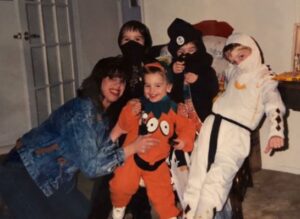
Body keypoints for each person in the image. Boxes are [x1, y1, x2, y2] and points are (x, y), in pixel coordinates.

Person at [0, 56, 158, 219]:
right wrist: (132, 148)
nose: (118, 85)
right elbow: (91, 168)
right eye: (112, 78)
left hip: (56, 180)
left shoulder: (100, 113)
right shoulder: (81, 112)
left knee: (87, 215)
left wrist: (119, 129)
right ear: (99, 80)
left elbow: (97, 154)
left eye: (122, 81)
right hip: (23, 171)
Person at [183, 33, 286, 219]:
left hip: (236, 132)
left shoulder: (264, 77)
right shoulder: (232, 72)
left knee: (218, 177)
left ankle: (203, 215)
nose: (237, 61)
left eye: (242, 55)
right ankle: (189, 214)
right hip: (212, 124)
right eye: (232, 59)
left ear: (253, 51)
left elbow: (274, 104)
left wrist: (276, 132)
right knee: (197, 173)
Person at [109, 61, 196, 219]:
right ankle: (118, 209)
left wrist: (183, 141)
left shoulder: (175, 109)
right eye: (147, 85)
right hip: (132, 158)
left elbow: (187, 127)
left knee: (163, 196)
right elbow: (124, 124)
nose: (151, 90)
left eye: (157, 85)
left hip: (157, 162)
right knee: (121, 185)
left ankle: (170, 216)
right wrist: (130, 112)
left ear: (168, 87)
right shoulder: (138, 104)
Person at [89, 20, 154, 219]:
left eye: (137, 39)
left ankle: (140, 211)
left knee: (139, 176)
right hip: (115, 130)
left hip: (142, 131)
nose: (131, 44)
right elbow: (96, 92)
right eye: (126, 40)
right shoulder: (114, 67)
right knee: (107, 179)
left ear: (146, 43)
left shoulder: (151, 68)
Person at [167, 18, 219, 129]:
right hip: (181, 119)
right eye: (181, 52)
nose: (187, 55)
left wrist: (198, 80)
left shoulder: (206, 69)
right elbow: (175, 95)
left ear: (199, 49)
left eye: (191, 50)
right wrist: (175, 73)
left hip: (203, 115)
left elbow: (213, 89)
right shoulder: (175, 69)